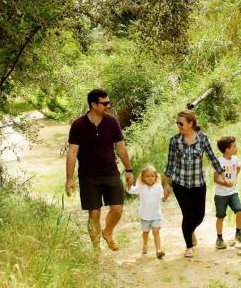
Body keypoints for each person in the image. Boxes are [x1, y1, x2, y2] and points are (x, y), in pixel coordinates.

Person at [65, 88, 134, 261]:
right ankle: (96, 250)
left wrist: (128, 170)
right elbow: (72, 153)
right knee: (94, 214)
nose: (108, 106)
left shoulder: (112, 122)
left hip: (111, 172)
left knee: (117, 209)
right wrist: (69, 179)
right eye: (104, 103)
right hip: (88, 176)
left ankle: (108, 232)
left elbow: (121, 147)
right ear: (93, 104)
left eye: (108, 102)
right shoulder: (78, 125)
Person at [163, 109, 231, 258]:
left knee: (198, 216)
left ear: (190, 124)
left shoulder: (203, 138)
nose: (178, 125)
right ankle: (189, 246)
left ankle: (189, 230)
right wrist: (166, 184)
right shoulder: (174, 141)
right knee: (188, 215)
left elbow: (212, 158)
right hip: (180, 184)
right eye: (177, 123)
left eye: (181, 123)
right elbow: (170, 164)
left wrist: (223, 176)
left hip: (198, 183)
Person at [214, 136, 241, 250]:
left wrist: (234, 179)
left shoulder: (235, 159)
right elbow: (216, 179)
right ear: (227, 149)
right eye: (234, 146)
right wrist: (225, 183)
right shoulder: (219, 161)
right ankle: (219, 238)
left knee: (240, 211)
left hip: (233, 192)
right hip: (221, 195)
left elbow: (238, 168)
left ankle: (238, 233)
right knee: (220, 216)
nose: (236, 148)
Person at [127, 165, 167, 259]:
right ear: (143, 178)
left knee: (156, 231)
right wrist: (129, 184)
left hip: (156, 215)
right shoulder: (141, 187)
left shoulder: (158, 187)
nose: (150, 178)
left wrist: (165, 197)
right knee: (145, 232)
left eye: (152, 176)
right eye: (147, 176)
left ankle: (158, 250)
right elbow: (131, 190)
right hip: (144, 215)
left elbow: (162, 197)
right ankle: (145, 244)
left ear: (156, 177)